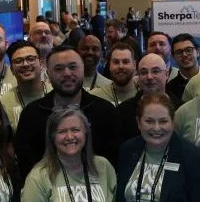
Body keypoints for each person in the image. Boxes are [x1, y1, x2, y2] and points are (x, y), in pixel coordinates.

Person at [14, 46, 120, 182]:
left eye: (73, 67)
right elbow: (26, 162)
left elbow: (112, 160)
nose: (67, 73)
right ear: (48, 73)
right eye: (59, 69)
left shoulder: (105, 112)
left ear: (82, 69)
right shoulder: (32, 114)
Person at [117, 53, 169, 143]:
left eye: (155, 71)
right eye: (144, 72)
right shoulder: (122, 111)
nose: (149, 77)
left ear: (166, 74)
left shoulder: (180, 108)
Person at [0, 41, 47, 131]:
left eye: (30, 59)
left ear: (40, 64)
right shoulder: (3, 103)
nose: (25, 64)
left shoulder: (56, 93)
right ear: (12, 69)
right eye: (18, 61)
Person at [93, 42, 138, 106]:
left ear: (134, 65)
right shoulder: (96, 97)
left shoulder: (144, 96)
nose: (121, 66)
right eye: (116, 62)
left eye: (125, 62)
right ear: (109, 65)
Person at [166, 33, 200, 105]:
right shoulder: (169, 89)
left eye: (188, 50)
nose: (184, 55)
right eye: (179, 52)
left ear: (197, 52)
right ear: (173, 57)